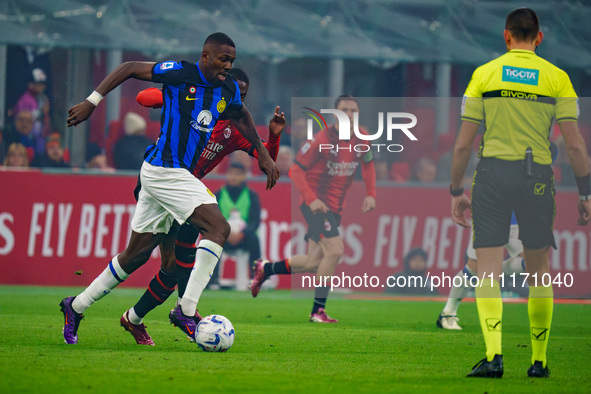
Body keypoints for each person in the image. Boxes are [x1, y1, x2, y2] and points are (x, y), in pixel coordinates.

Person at [59, 32, 280, 345]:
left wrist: (264, 152)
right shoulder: (181, 73)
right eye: (222, 59)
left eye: (231, 61)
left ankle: (76, 306)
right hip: (165, 170)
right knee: (219, 228)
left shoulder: (227, 89)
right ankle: (186, 310)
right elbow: (130, 67)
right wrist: (92, 102)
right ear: (205, 55)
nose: (227, 65)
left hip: (167, 177)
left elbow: (241, 113)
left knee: (135, 256)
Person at [450, 8, 591, 378]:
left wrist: (455, 190)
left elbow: (463, 146)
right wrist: (585, 193)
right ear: (539, 37)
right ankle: (539, 361)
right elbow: (575, 147)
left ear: (507, 36)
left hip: (493, 173)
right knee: (540, 271)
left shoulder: (485, 74)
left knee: (488, 271)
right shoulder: (557, 78)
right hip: (537, 177)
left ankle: (494, 357)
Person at [120, 68, 285, 345]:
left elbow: (264, 157)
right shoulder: (196, 101)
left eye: (243, 97)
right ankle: (183, 311)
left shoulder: (234, 131)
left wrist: (274, 136)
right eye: (236, 92)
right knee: (144, 256)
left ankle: (140, 317)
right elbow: (142, 97)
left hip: (188, 195)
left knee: (172, 267)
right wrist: (167, 94)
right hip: (163, 181)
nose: (237, 101)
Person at [250, 95, 377, 323]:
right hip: (317, 205)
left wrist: (371, 194)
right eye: (344, 110)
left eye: (353, 111)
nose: (349, 114)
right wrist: (311, 199)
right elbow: (296, 171)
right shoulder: (320, 139)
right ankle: (317, 311)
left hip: (336, 207)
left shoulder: (364, 139)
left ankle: (266, 268)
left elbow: (367, 165)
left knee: (312, 262)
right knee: (335, 251)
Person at [437, 213, 524, 330]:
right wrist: (457, 194)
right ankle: (448, 313)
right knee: (473, 267)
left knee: (534, 265)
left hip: (521, 218)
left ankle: (488, 268)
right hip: (489, 214)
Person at [212, 161, 262, 284]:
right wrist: (227, 234)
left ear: (244, 175)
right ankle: (212, 280)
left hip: (243, 238)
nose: (234, 176)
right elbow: (212, 220)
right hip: (224, 238)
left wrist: (242, 233)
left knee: (254, 239)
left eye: (238, 174)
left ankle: (255, 278)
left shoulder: (252, 195)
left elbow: (255, 221)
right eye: (231, 173)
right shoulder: (218, 195)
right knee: (211, 240)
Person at [13, 68, 51, 154]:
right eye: (39, 84)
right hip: (27, 140)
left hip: (40, 140)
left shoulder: (41, 98)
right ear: (31, 84)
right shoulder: (25, 99)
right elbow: (22, 122)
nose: (42, 86)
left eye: (43, 84)